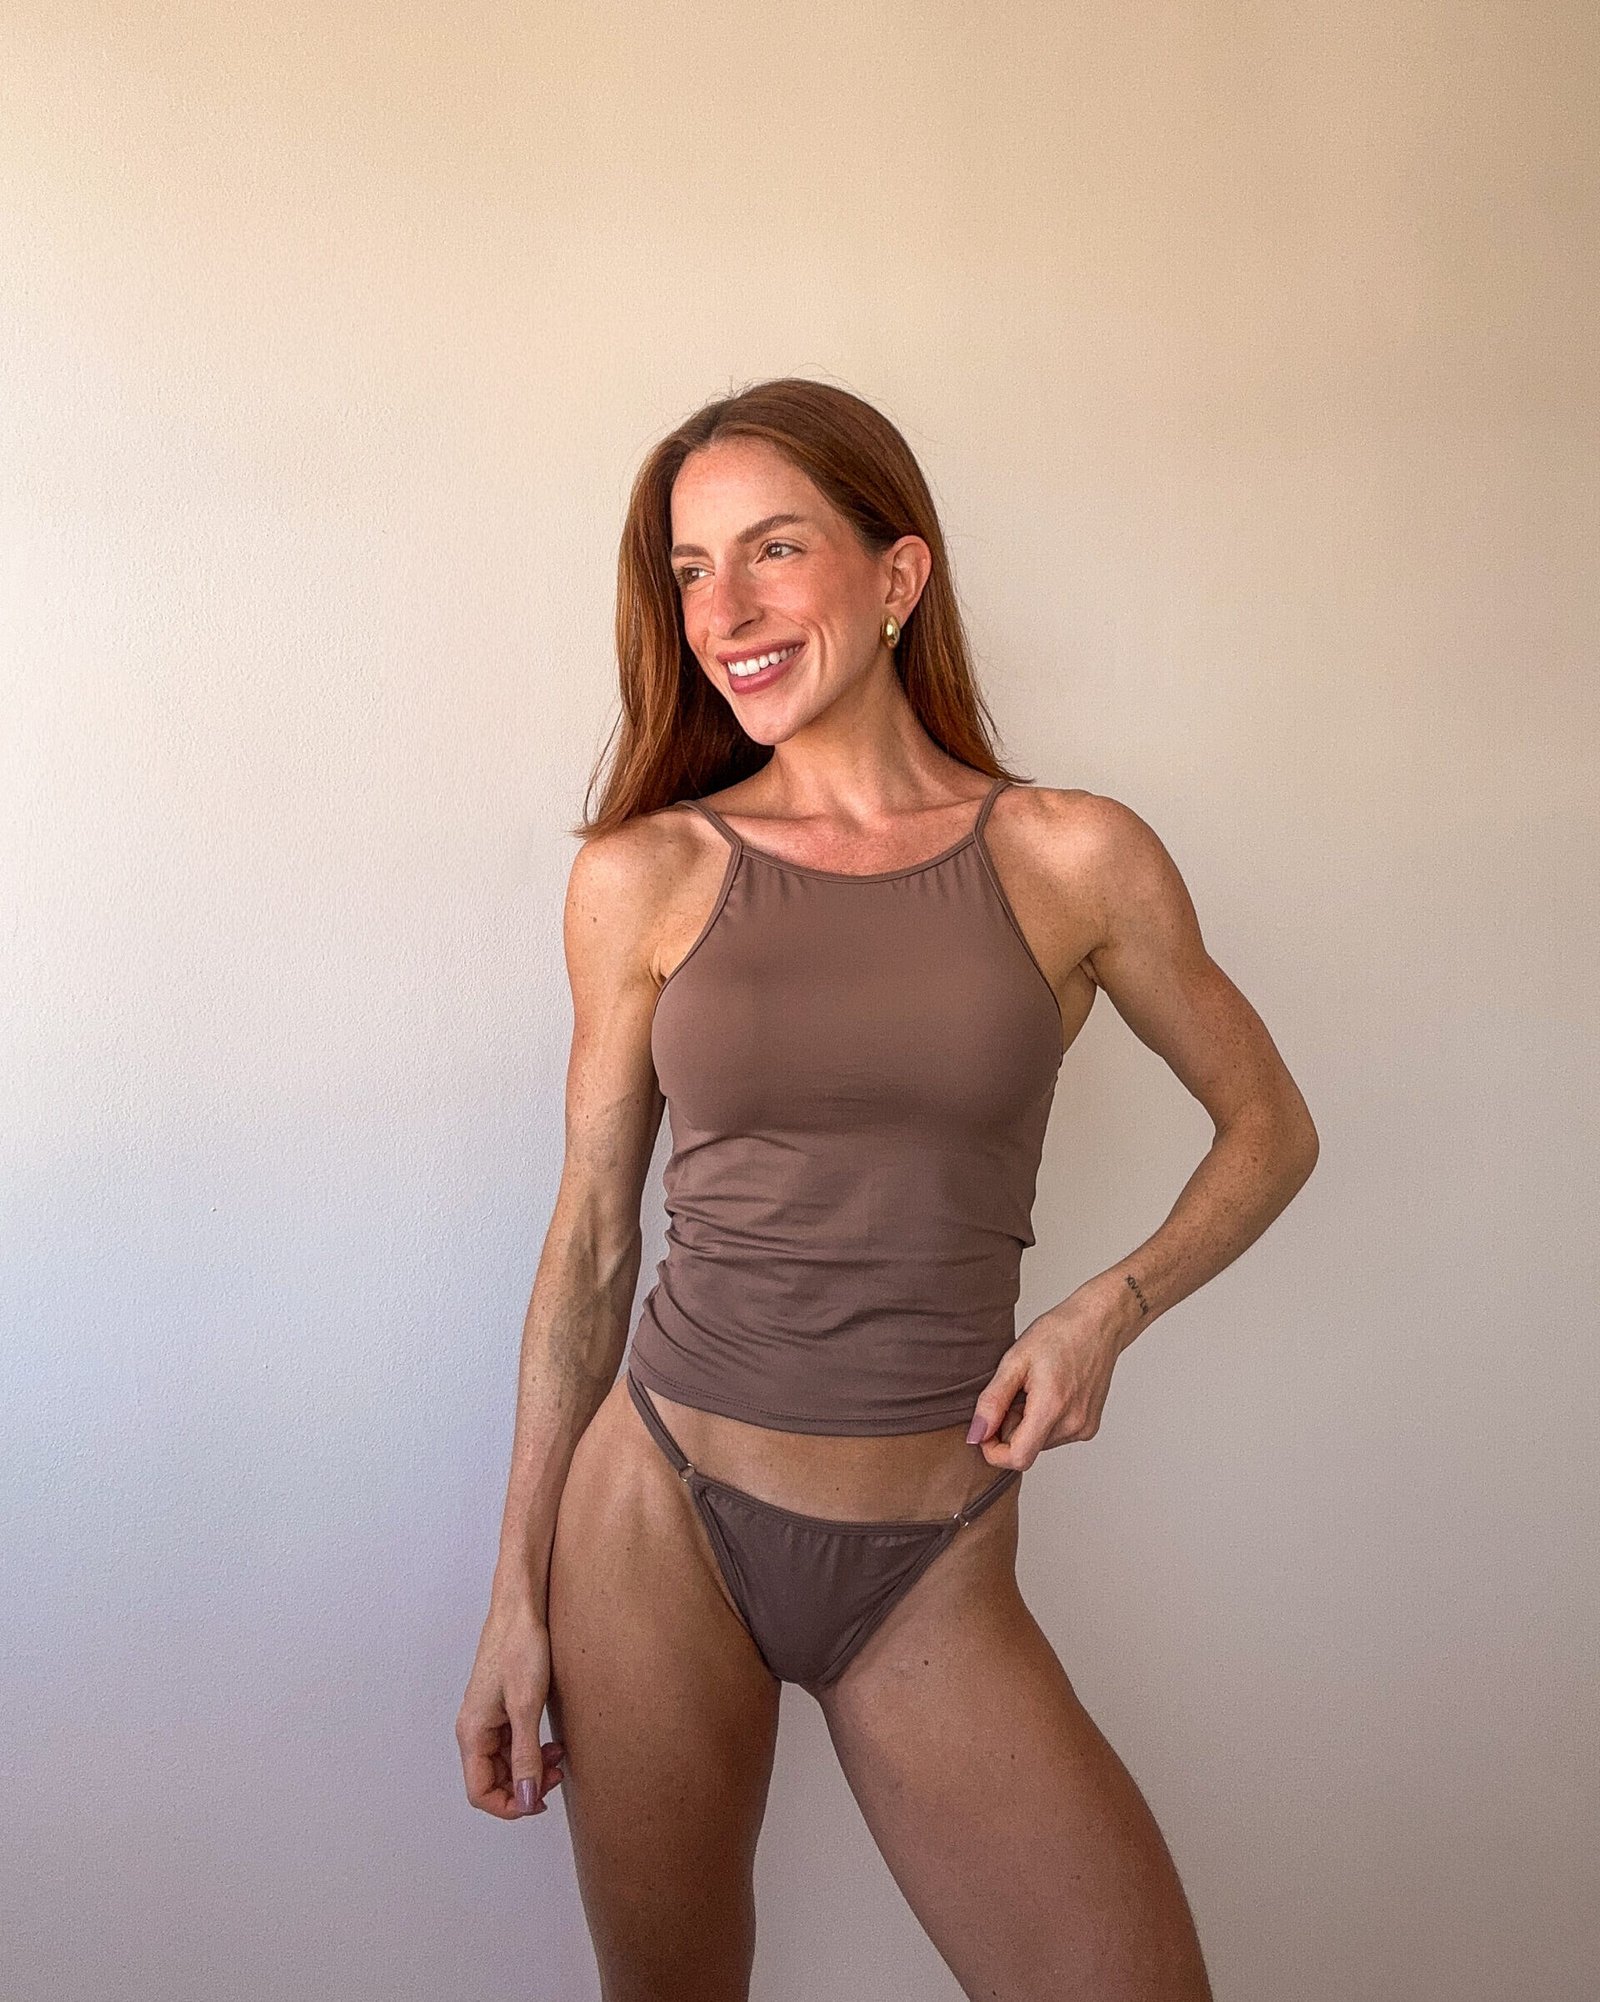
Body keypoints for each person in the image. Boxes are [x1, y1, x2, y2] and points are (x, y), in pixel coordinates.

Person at [456, 376, 1318, 2000]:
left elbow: (1270, 1125)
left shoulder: (1072, 855)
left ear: (898, 573)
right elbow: (589, 1245)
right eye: (692, 570)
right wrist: (514, 1595)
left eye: (773, 550)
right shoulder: (645, 873)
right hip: (659, 1512)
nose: (725, 610)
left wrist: (1108, 1308)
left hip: (933, 1546)